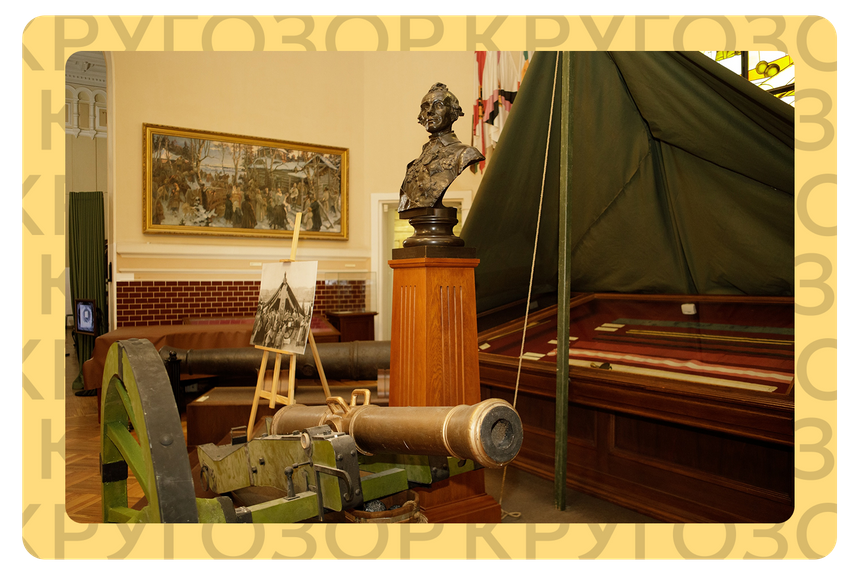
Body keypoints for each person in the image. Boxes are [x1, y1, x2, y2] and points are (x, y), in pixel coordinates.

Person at [398, 83, 485, 212]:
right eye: (425, 107)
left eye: (438, 105)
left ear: (453, 112)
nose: (429, 111)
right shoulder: (413, 165)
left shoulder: (464, 153)